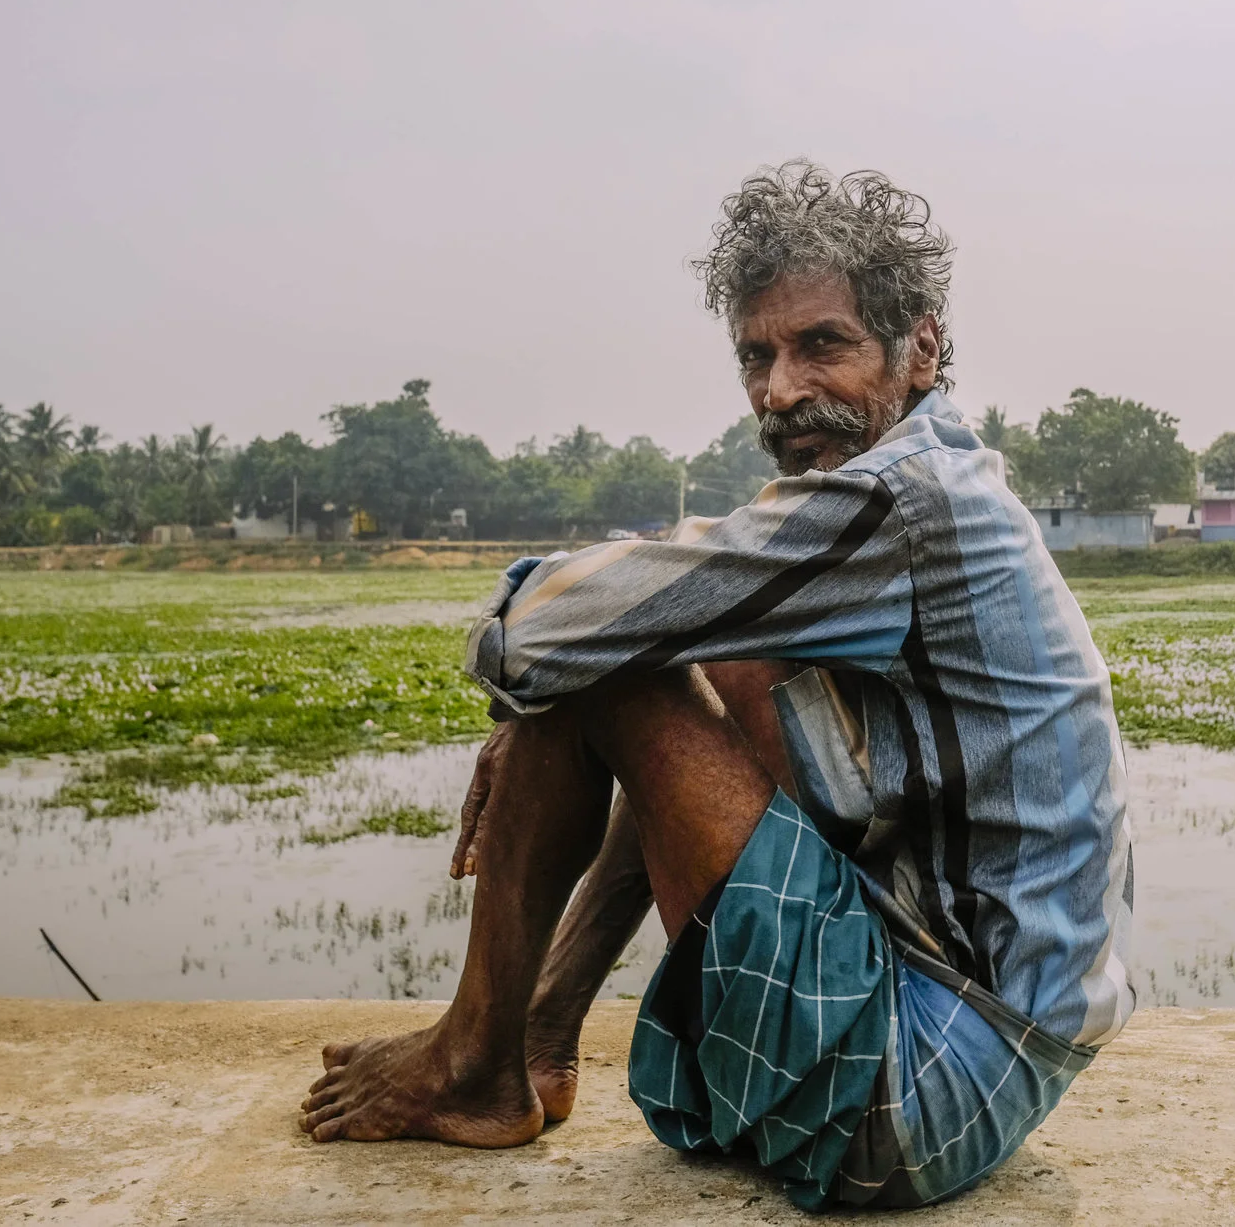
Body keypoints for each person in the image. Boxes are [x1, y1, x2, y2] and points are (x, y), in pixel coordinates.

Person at [300, 162, 1136, 1210]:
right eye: (756, 354)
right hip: (991, 1057)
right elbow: (640, 624)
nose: (780, 388)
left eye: (820, 344)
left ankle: (477, 1060)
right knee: (697, 647)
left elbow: (551, 622)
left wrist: (528, 694)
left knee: (614, 662)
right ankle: (542, 1032)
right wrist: (551, 673)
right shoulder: (927, 479)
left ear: (918, 347)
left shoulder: (899, 500)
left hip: (930, 1078)